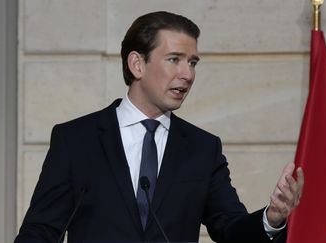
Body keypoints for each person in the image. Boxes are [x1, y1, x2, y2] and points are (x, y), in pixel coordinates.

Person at [15, 11, 304, 243]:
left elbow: (230, 229)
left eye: (192, 63)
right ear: (137, 65)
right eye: (174, 60)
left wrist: (272, 218)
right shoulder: (76, 140)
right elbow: (40, 231)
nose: (187, 74)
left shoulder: (203, 148)